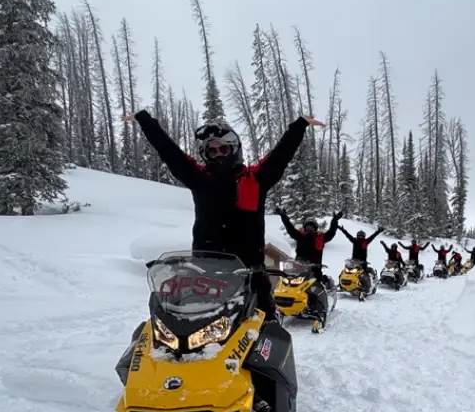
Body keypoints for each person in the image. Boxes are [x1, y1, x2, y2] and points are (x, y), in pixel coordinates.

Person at [123, 108, 324, 318]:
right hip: (205, 275)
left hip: (249, 275)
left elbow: (280, 156)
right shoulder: (199, 179)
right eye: (212, 151)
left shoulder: (255, 179)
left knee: (267, 330)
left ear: (234, 149)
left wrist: (299, 125)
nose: (218, 155)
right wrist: (145, 120)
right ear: (205, 154)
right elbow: (170, 153)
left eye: (224, 149)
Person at [339, 225, 384, 292]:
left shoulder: (366, 241)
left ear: (364, 236)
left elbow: (373, 236)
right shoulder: (354, 240)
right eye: (359, 235)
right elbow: (348, 235)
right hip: (353, 262)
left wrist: (378, 231)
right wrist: (342, 230)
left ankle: (366, 288)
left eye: (361, 236)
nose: (360, 237)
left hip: (363, 262)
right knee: (343, 273)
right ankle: (342, 285)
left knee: (364, 275)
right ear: (357, 236)